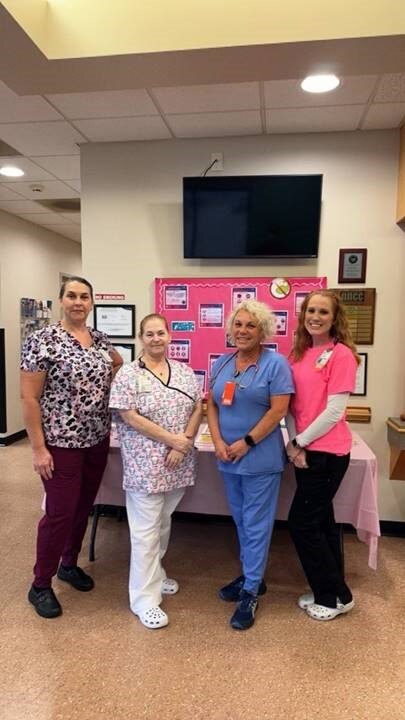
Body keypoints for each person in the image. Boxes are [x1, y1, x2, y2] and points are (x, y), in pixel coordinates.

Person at [21, 277, 123, 619]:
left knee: (83, 506)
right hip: (60, 443)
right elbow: (29, 397)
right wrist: (38, 448)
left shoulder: (99, 339)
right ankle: (40, 584)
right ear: (62, 300)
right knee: (60, 512)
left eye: (84, 296)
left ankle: (68, 563)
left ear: (92, 302)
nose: (78, 302)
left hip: (96, 438)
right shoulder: (41, 340)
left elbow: (118, 363)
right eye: (72, 296)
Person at [109, 313, 202, 629]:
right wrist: (172, 439)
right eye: (149, 334)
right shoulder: (128, 375)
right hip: (145, 466)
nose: (155, 339)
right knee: (145, 532)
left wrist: (183, 443)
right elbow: (129, 415)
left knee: (163, 523)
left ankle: (156, 575)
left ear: (169, 335)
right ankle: (144, 600)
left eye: (160, 333)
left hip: (178, 462)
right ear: (140, 338)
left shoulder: (185, 372)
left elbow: (197, 408)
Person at [207, 300, 293, 630]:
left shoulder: (276, 364)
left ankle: (251, 591)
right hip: (227, 457)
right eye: (238, 325)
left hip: (259, 458)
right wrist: (217, 442)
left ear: (263, 331)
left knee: (256, 524)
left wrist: (246, 442)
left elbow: (277, 411)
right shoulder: (224, 362)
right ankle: (251, 577)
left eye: (250, 326)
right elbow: (211, 405)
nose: (242, 331)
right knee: (242, 522)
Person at [286, 290, 360, 621]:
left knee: (302, 524)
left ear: (334, 318)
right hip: (304, 451)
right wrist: (294, 442)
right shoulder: (298, 354)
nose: (315, 316)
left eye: (323, 312)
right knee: (322, 523)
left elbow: (334, 412)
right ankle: (336, 593)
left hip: (327, 454)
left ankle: (329, 598)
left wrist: (299, 442)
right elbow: (289, 404)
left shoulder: (342, 354)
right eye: (310, 311)